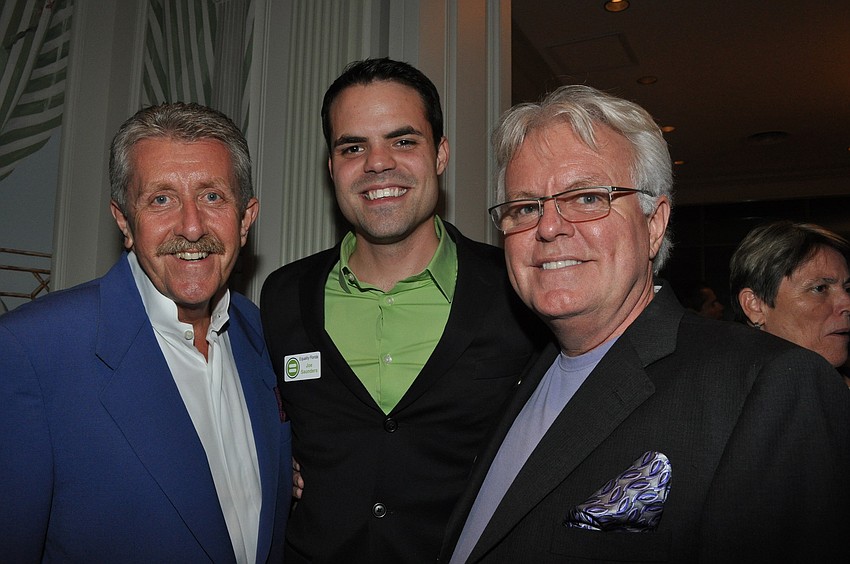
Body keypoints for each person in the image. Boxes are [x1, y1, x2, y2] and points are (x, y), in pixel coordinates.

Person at [439, 85, 850, 563]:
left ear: (655, 223)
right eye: (526, 207)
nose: (548, 227)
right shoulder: (519, 375)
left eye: (588, 197)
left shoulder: (772, 385)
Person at [260, 58, 544, 563]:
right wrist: (275, 460)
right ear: (332, 168)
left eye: (403, 141)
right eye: (353, 147)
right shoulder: (283, 295)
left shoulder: (516, 287)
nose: (377, 163)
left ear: (440, 154)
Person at [0, 102, 291, 562]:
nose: (192, 227)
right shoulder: (31, 352)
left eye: (213, 196)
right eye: (161, 199)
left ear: (246, 218)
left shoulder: (266, 335)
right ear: (123, 221)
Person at [729, 220, 850, 369]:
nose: (847, 304)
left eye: (847, 289)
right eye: (820, 289)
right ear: (755, 306)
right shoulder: (721, 387)